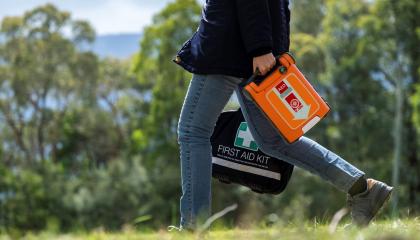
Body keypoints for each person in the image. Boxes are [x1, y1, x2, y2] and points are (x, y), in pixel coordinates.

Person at [173, 0, 392, 230]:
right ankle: (361, 188)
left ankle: (193, 227)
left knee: (193, 132)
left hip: (229, 47)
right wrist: (273, 48)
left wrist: (261, 48)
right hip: (251, 49)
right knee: (274, 140)